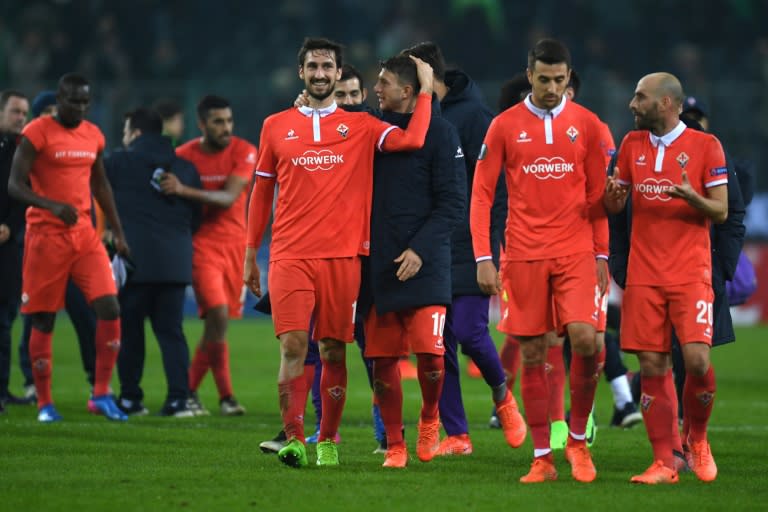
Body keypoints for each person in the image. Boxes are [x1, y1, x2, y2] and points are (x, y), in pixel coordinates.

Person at [243, 37, 434, 468]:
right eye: (313, 67)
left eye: (327, 67)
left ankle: (327, 438)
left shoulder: (362, 127)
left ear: (338, 71)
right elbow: (261, 192)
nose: (320, 74)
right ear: (301, 73)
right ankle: (294, 439)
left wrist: (423, 89)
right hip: (289, 255)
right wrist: (250, 252)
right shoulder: (275, 125)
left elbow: (413, 140)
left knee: (332, 349)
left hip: (343, 257)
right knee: (293, 346)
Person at [470, 39, 608, 484]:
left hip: (575, 251)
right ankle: (543, 457)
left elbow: (597, 199)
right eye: (544, 79)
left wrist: (602, 253)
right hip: (524, 254)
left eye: (560, 79)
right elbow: (482, 194)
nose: (552, 88)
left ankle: (578, 442)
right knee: (532, 354)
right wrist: (484, 257)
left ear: (569, 78)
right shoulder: (504, 126)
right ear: (529, 75)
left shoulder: (588, 125)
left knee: (587, 341)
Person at [604, 72, 728, 484]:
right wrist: (613, 202)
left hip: (691, 273)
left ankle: (698, 438)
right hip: (643, 274)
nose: (632, 105)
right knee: (652, 363)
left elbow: (722, 210)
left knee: (696, 360)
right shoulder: (631, 144)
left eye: (640, 97)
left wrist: (695, 199)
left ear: (666, 104)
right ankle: (665, 460)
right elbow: (614, 202)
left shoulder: (705, 145)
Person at [403, 41, 525, 458]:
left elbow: (495, 188)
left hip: (471, 244)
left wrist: (490, 248)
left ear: (426, 72)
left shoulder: (474, 117)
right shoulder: (411, 116)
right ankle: (457, 435)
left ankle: (502, 394)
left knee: (472, 332)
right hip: (429, 245)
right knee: (440, 343)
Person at [361, 54, 464, 467]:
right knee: (383, 361)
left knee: (432, 355)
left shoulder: (442, 132)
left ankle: (429, 418)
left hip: (427, 261)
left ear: (408, 91)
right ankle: (395, 444)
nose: (376, 90)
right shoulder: (371, 130)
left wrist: (421, 249)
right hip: (381, 263)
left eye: (383, 83)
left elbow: (453, 202)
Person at [8, 72, 129, 422]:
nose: (79, 107)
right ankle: (45, 403)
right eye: (73, 100)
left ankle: (102, 394)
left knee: (109, 308)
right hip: (45, 238)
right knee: (43, 320)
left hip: (85, 236)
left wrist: (119, 233)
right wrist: (49, 205)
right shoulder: (36, 133)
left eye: (84, 101)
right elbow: (15, 185)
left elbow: (102, 185)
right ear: (58, 100)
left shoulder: (93, 134)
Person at [161, 95, 255, 416]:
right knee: (217, 314)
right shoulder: (182, 157)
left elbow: (229, 197)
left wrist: (184, 190)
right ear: (201, 124)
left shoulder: (244, 150)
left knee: (219, 326)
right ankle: (198, 393)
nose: (226, 127)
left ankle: (215, 396)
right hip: (201, 246)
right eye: (218, 122)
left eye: (228, 121)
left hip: (235, 247)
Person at [106, 107, 202, 417]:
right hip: (175, 262)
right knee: (171, 332)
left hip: (133, 260)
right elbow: (196, 216)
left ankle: (131, 398)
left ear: (134, 132)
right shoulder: (186, 168)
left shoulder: (117, 162)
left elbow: (96, 194)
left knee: (130, 332)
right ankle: (178, 399)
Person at [15, 90, 100, 407]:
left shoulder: (75, 147)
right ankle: (31, 383)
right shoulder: (24, 149)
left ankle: (96, 383)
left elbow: (89, 195)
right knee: (34, 317)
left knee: (84, 315)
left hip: (76, 244)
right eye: (47, 113)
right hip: (36, 245)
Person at [0, 90, 29, 409]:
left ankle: (2, 390)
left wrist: (10, 226)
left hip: (8, 246)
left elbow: (23, 196)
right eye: (15, 112)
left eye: (24, 113)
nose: (21, 118)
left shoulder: (22, 152)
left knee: (5, 321)